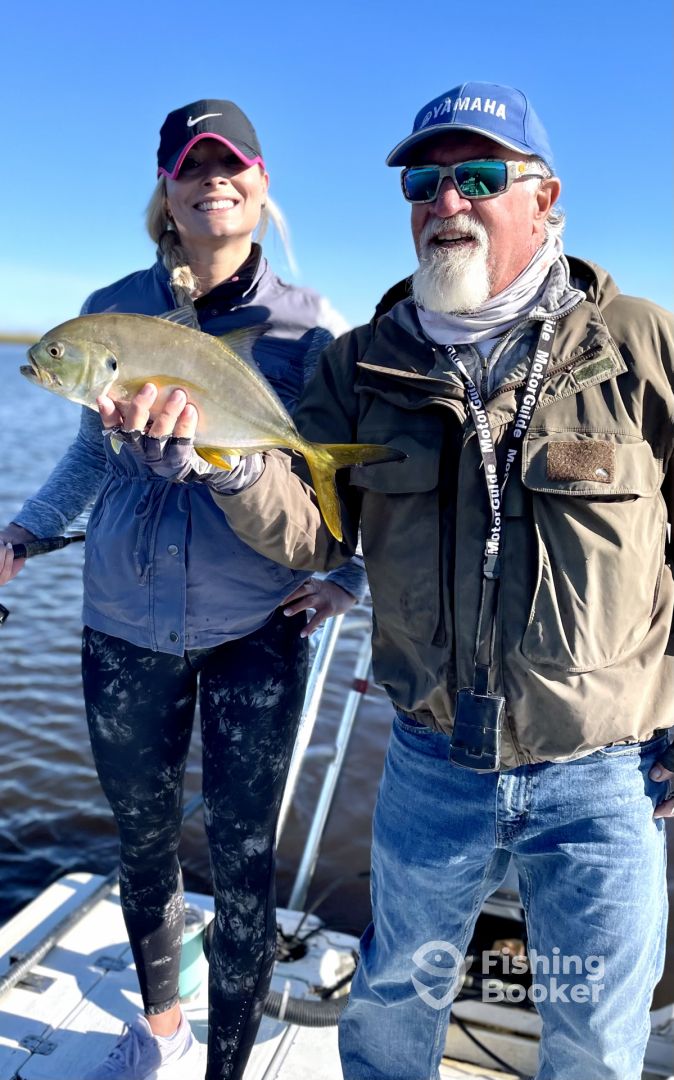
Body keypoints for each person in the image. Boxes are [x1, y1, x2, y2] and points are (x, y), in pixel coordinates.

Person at [136, 81, 674, 1079]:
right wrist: (227, 466)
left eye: (479, 176)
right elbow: (312, 535)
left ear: (545, 198)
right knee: (389, 1013)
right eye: (422, 183)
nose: (446, 201)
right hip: (430, 760)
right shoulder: (359, 366)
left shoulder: (639, 345)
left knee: (598, 1041)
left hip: (603, 771)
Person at [0, 99, 366, 1080]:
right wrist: (23, 530)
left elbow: (354, 479)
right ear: (165, 189)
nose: (212, 181)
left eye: (230, 163)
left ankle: (226, 1067)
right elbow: (89, 457)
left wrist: (348, 577)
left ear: (261, 182)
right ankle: (160, 1033)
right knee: (143, 839)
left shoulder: (313, 326)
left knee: (243, 859)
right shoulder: (111, 309)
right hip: (123, 619)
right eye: (190, 166)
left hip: (256, 626)